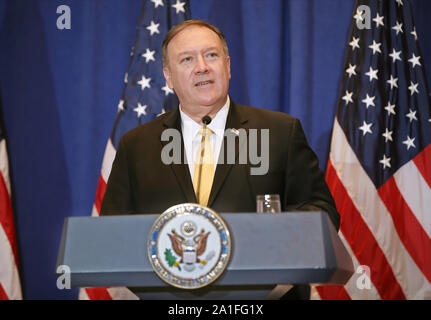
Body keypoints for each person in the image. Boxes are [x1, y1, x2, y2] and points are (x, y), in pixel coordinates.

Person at [100, 20, 340, 298]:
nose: (201, 66)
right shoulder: (136, 145)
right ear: (168, 76)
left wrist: (273, 237)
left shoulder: (279, 132)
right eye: (187, 59)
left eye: (211, 55)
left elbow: (322, 211)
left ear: (227, 65)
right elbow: (113, 232)